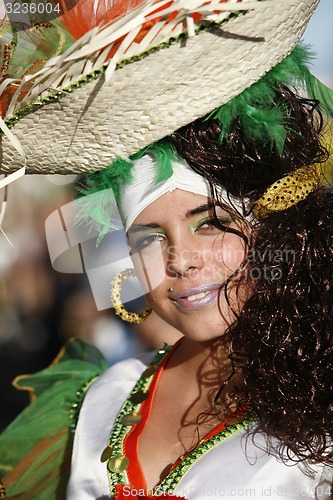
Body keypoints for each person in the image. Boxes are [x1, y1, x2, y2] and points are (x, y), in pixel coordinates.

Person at [0, 0, 332, 499]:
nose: (180, 259)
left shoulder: (323, 403)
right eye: (149, 238)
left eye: (212, 224)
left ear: (277, 227)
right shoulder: (102, 399)